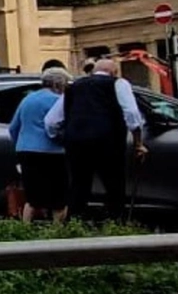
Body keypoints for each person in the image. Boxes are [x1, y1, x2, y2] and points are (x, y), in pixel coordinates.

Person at [45, 57, 146, 221]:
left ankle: (75, 225)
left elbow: (51, 121)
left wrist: (64, 138)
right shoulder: (118, 84)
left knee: (79, 186)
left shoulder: (74, 86)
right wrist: (138, 143)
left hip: (76, 143)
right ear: (114, 72)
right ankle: (115, 223)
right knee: (114, 185)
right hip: (109, 142)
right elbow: (132, 114)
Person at [9, 67, 71, 223]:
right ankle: (57, 233)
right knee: (59, 196)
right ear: (59, 84)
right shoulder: (58, 100)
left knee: (33, 197)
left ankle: (25, 229)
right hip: (54, 153)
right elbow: (59, 125)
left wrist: (21, 144)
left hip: (26, 151)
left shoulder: (27, 99)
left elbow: (13, 127)